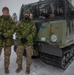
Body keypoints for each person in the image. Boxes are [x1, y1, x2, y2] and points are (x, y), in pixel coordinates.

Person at [0, 7, 16, 74]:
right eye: (5, 12)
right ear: (2, 12)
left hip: (8, 41)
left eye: (7, 12)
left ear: (8, 12)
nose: (6, 13)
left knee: (7, 56)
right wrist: (1, 34)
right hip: (0, 40)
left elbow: (13, 29)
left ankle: (6, 68)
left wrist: (5, 34)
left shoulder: (11, 20)